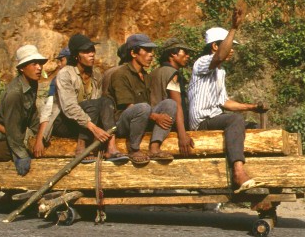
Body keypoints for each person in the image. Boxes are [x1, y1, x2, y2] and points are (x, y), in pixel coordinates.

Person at [188, 5, 269, 193]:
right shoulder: (202, 62)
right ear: (215, 46)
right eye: (229, 46)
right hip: (202, 121)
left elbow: (224, 102)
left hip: (215, 117)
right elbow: (220, 56)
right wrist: (233, 28)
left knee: (252, 128)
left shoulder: (220, 72)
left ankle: (255, 174)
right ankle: (238, 173)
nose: (231, 51)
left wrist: (252, 106)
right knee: (235, 120)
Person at [40, 33, 126, 162]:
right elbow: (69, 108)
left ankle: (111, 147)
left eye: (92, 50)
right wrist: (94, 128)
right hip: (65, 122)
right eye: (86, 51)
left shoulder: (96, 74)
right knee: (90, 105)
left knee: (105, 101)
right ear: (76, 56)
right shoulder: (65, 74)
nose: (91, 54)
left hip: (88, 120)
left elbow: (97, 102)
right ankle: (81, 146)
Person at [108, 33, 178, 163]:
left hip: (142, 118)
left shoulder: (145, 76)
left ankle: (154, 148)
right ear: (134, 53)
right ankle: (134, 149)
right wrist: (155, 116)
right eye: (146, 50)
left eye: (151, 50)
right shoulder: (120, 74)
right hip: (123, 123)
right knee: (143, 107)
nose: (151, 54)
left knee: (170, 104)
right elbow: (128, 106)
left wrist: (156, 115)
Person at [0, 45, 48, 176]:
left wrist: (40, 135)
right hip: (2, 143)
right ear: (22, 68)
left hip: (14, 139)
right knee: (28, 165)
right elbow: (12, 130)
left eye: (40, 64)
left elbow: (32, 114)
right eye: (34, 64)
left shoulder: (31, 83)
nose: (39, 68)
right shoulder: (15, 94)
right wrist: (21, 155)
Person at [149, 38, 194, 156]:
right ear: (173, 54)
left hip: (153, 124)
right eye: (185, 52)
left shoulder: (154, 72)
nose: (188, 56)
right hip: (167, 127)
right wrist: (182, 135)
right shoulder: (172, 74)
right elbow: (176, 104)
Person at [34, 47, 70, 157]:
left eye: (62, 60)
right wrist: (40, 139)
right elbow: (49, 109)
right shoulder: (58, 79)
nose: (59, 65)